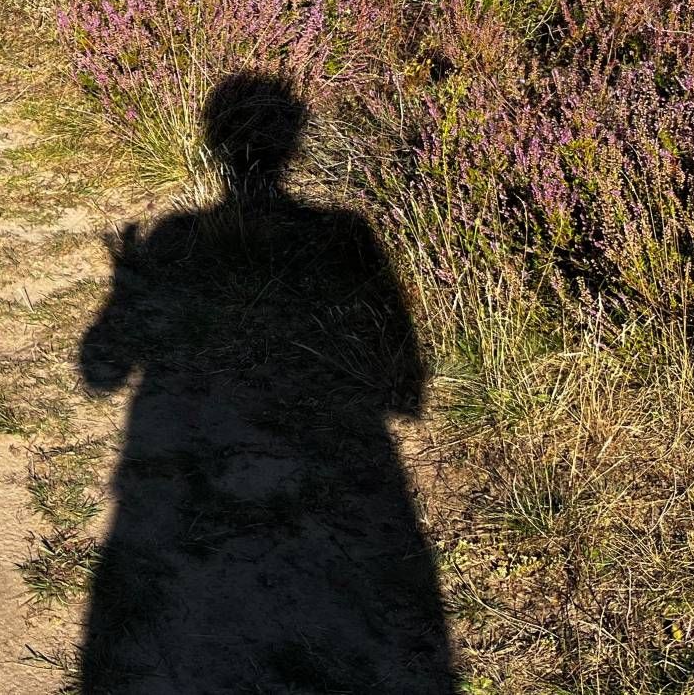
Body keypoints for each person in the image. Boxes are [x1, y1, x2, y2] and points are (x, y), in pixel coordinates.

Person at [77, 71, 455, 693]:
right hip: (348, 467)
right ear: (296, 145)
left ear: (214, 144)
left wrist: (127, 289)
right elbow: (402, 385)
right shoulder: (345, 234)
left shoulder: (178, 236)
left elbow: (101, 368)